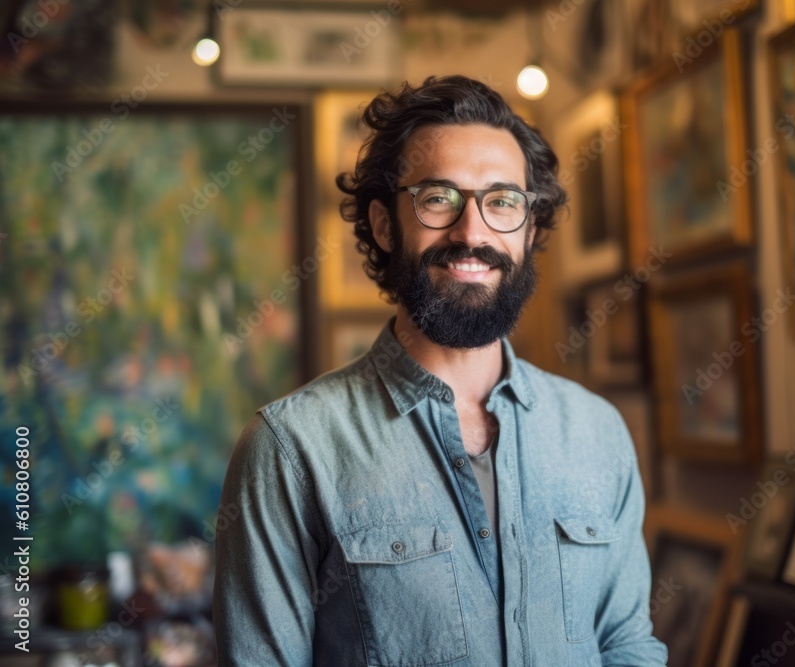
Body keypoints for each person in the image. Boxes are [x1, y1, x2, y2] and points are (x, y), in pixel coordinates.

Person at [213, 74, 668, 666]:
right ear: (383, 225)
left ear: (529, 228)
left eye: (502, 201)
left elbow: (626, 645)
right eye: (438, 198)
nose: (472, 232)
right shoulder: (290, 449)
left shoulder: (598, 432)